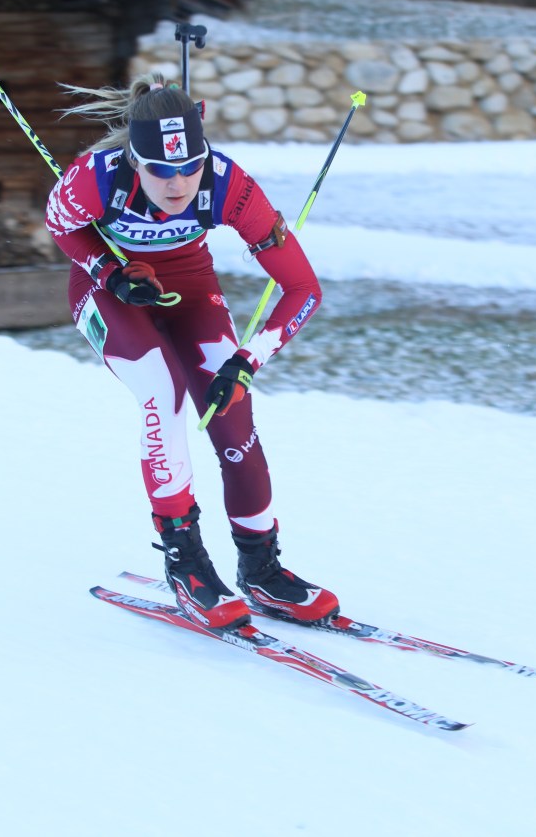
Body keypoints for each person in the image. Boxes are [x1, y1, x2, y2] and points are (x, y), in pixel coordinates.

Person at [46, 74, 339, 631]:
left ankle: (261, 568)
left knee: (231, 412)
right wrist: (109, 271)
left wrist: (247, 361)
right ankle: (186, 562)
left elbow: (305, 290)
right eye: (159, 169)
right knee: (164, 393)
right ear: (135, 161)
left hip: (191, 289)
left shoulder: (229, 185)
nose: (177, 183)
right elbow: (61, 227)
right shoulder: (95, 179)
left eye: (190, 166)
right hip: (111, 293)